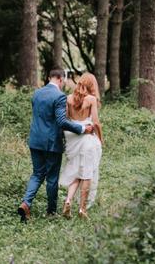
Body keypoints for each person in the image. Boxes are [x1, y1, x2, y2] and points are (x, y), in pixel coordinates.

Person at [17, 68, 93, 223]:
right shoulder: (59, 96)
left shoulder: (37, 93)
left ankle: (26, 203)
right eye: (64, 79)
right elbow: (61, 121)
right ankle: (51, 212)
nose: (64, 82)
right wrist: (82, 129)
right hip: (51, 143)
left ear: (48, 77)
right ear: (60, 78)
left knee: (37, 174)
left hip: (35, 141)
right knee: (51, 178)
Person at [60, 73, 103, 219]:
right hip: (87, 139)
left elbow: (65, 121)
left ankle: (68, 201)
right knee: (87, 173)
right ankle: (82, 209)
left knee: (77, 172)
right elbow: (96, 122)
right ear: (92, 85)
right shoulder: (91, 99)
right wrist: (101, 139)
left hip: (72, 139)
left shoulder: (68, 99)